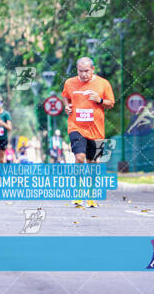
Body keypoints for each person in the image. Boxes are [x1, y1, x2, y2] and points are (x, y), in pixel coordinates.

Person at [62, 57, 115, 207]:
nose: (84, 74)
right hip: (76, 126)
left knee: (93, 162)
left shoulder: (103, 83)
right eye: (80, 71)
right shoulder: (70, 83)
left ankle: (91, 195)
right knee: (79, 158)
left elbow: (111, 103)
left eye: (86, 71)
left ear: (93, 69)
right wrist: (67, 106)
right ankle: (78, 192)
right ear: (77, 70)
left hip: (97, 130)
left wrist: (99, 100)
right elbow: (65, 97)